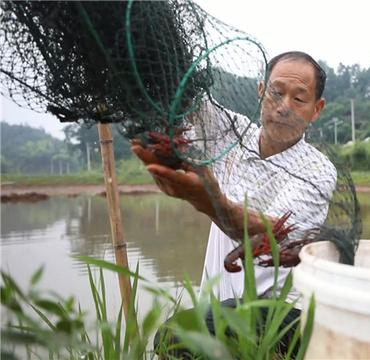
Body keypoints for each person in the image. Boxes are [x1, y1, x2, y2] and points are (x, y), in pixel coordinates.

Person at [131, 51, 336, 356]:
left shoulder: (318, 172)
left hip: (282, 315)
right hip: (221, 310)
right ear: (260, 92)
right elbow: (181, 98)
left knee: (175, 336)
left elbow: (270, 238)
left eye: (299, 99)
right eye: (276, 93)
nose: (283, 107)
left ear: (316, 109)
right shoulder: (231, 134)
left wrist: (211, 201)